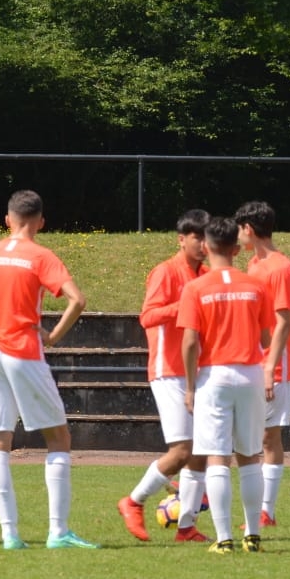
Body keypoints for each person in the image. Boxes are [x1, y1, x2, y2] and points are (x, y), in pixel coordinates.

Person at [0, 190, 98, 550]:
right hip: (23, 348)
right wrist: (53, 336)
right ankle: (58, 531)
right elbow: (77, 299)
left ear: (7, 219)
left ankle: (9, 534)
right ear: (40, 222)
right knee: (58, 438)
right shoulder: (41, 256)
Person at [179, 217, 278, 554]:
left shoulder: (196, 288)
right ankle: (253, 535)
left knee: (217, 457)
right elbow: (266, 337)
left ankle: (223, 539)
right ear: (236, 249)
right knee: (250, 455)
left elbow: (190, 342)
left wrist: (190, 386)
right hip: (249, 373)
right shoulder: (255, 286)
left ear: (206, 247)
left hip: (214, 375)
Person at [118, 209, 211, 543]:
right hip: (168, 370)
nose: (203, 244)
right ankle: (133, 501)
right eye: (197, 237)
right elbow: (148, 317)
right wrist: (183, 305)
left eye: (206, 237)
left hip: (196, 371)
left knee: (200, 453)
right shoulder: (165, 272)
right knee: (182, 451)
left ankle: (186, 527)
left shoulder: (207, 274)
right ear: (181, 239)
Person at [234, 200, 290, 528]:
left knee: (268, 437)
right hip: (254, 361)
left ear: (249, 229)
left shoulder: (280, 268)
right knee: (252, 437)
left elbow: (283, 321)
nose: (237, 236)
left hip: (276, 363)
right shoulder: (254, 266)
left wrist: (270, 367)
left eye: (239, 229)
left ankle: (266, 511)